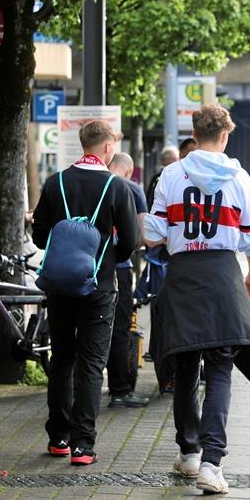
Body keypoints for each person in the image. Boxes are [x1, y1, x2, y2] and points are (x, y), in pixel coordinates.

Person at [145, 104, 250, 495]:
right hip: (222, 277)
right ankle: (212, 464)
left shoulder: (171, 173)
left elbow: (153, 231)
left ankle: (188, 453)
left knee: (185, 367)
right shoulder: (237, 177)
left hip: (183, 275)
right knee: (220, 370)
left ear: (195, 132)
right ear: (224, 135)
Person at [31, 121, 140, 465]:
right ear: (108, 148)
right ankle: (82, 446)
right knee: (92, 363)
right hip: (100, 285)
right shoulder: (116, 186)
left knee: (62, 359)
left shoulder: (55, 183)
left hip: (60, 286)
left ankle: (58, 437)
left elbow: (39, 236)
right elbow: (132, 241)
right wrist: (107, 259)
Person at [105, 151, 149, 408]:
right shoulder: (132, 189)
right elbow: (142, 234)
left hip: (89, 267)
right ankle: (120, 389)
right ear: (129, 171)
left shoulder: (93, 183)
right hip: (120, 266)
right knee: (120, 328)